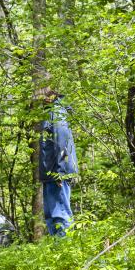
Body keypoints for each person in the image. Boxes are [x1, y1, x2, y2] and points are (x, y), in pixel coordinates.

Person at [37, 88, 78, 236]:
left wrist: (60, 172)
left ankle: (66, 252)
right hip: (50, 174)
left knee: (60, 215)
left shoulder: (57, 112)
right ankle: (57, 252)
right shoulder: (50, 112)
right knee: (51, 217)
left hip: (56, 173)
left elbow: (62, 142)